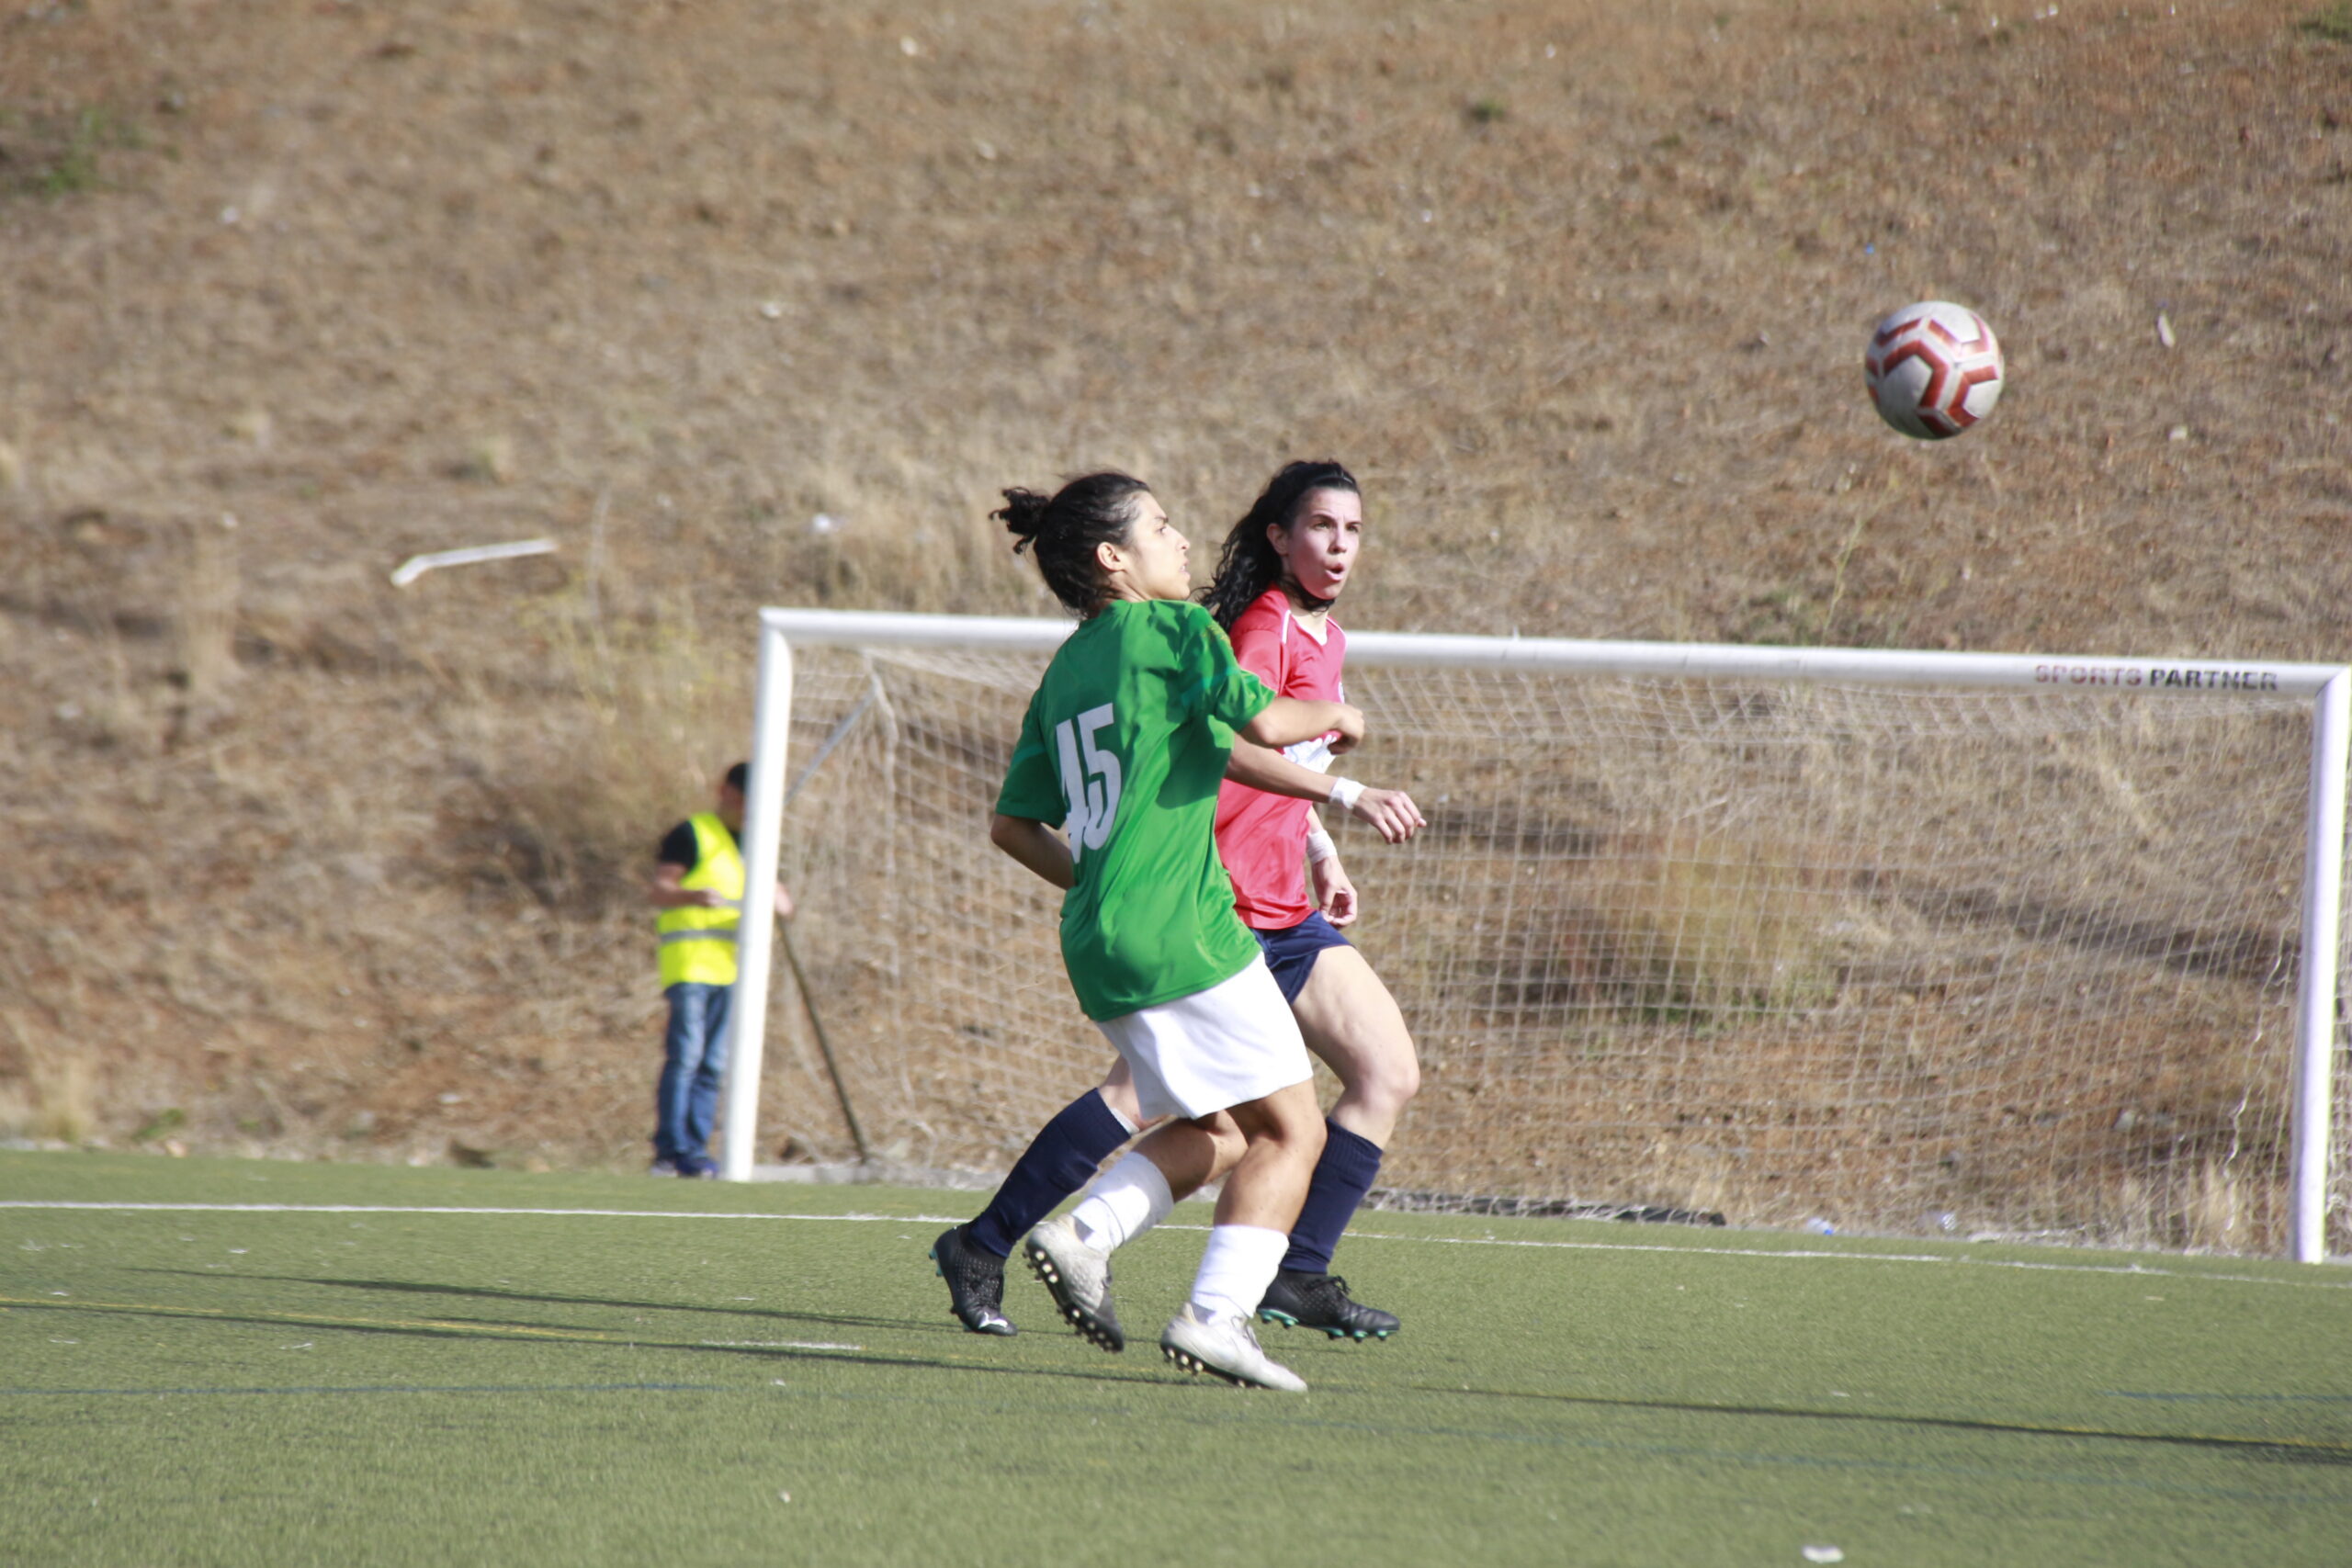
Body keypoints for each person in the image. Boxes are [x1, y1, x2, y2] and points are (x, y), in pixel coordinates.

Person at [933, 461, 1427, 1354]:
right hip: (1186, 930)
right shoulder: (1174, 628)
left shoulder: (1066, 670)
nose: (1184, 541)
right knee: (1290, 1125)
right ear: (1114, 558)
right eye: (1162, 528)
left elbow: (1012, 826)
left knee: (1223, 1126)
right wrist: (1339, 725)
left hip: (1097, 939)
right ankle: (1210, 1312)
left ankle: (1050, 1240)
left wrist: (1093, 882)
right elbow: (1268, 727)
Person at [648, 762, 793, 1178]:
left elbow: (783, 900)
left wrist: (782, 903)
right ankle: (670, 1151)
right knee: (687, 1056)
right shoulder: (691, 834)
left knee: (713, 1063)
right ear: (726, 792)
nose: (750, 811)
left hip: (736, 972)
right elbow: (659, 888)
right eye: (746, 801)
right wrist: (692, 895)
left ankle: (695, 1151)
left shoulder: (758, 843)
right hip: (691, 965)